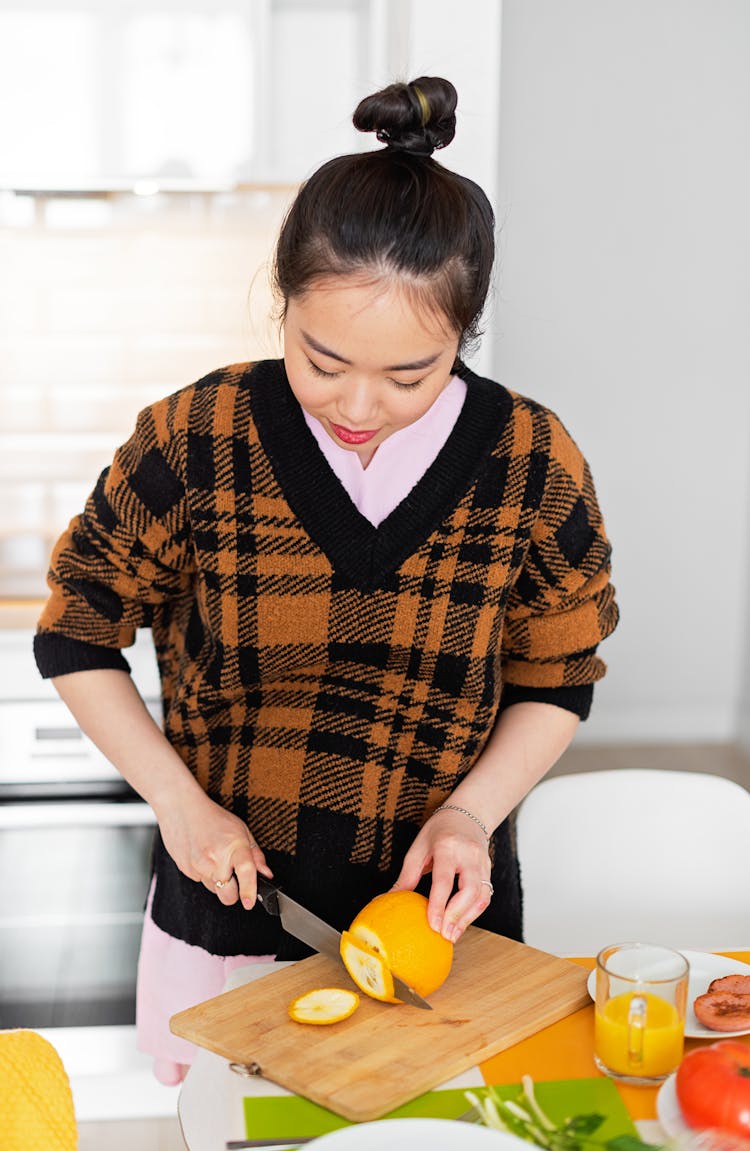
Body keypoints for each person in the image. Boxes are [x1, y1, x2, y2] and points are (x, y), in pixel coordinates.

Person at [34, 76, 618, 1083]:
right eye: (322, 358)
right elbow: (77, 629)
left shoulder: (530, 457)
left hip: (443, 911)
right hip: (230, 895)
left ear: (464, 337)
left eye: (410, 375)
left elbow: (557, 676)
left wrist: (471, 815)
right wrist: (177, 804)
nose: (358, 405)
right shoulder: (195, 435)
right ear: (283, 300)